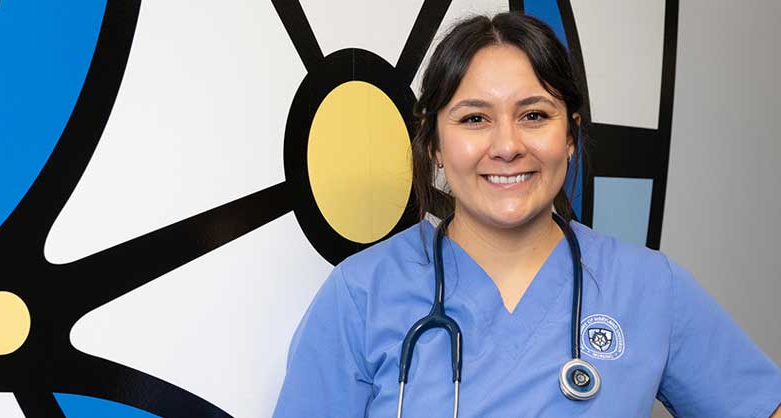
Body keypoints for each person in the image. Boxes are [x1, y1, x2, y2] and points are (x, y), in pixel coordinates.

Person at [272, 12, 781, 418]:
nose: (508, 146)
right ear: (434, 145)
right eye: (474, 119)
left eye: (534, 115)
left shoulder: (649, 287)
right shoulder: (361, 296)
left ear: (571, 134)